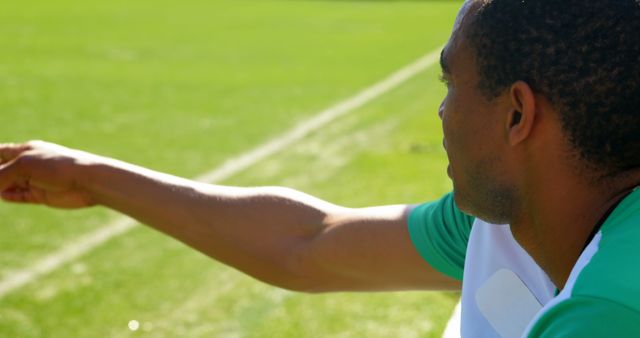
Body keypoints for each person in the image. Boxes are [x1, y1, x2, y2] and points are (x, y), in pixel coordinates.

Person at [1, 0, 639, 336]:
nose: (441, 112)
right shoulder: (507, 219)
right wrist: (90, 176)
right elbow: (311, 244)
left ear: (516, 115)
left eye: (452, 83)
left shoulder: (612, 310)